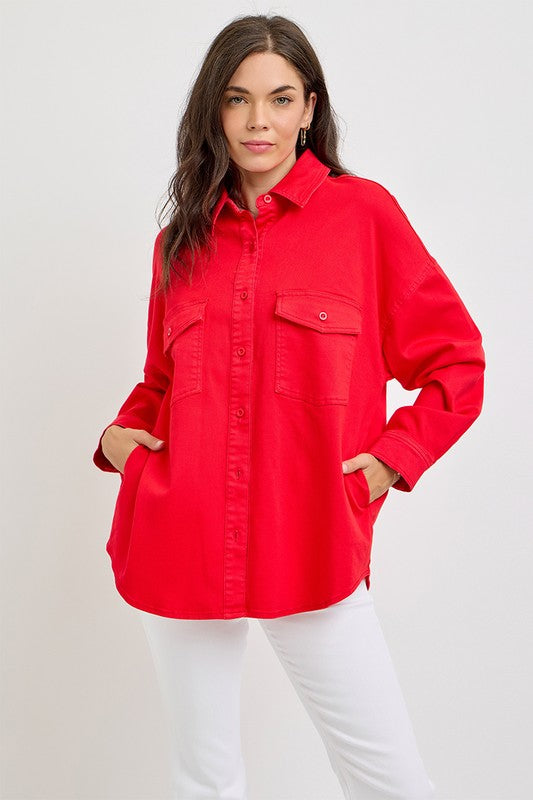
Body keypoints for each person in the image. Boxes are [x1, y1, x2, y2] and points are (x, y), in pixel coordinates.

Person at [93, 13, 485, 800]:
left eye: (278, 99)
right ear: (214, 110)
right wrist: (117, 439)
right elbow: (161, 381)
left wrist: (389, 462)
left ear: (309, 108)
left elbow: (456, 363)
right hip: (181, 534)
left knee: (389, 780)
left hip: (311, 536)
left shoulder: (363, 216)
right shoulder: (180, 243)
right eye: (237, 99)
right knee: (204, 780)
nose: (258, 121)